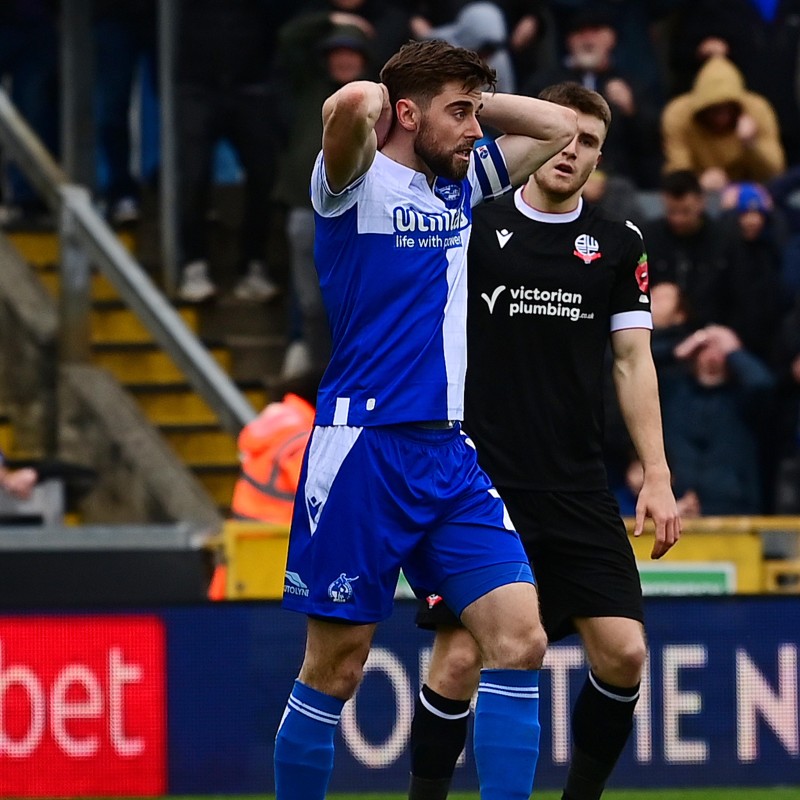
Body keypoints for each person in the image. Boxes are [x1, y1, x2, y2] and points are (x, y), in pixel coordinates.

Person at [272, 39, 578, 800]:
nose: (477, 130)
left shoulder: (464, 181)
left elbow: (556, 125)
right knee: (337, 667)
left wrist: (467, 95)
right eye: (460, 114)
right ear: (407, 113)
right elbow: (347, 107)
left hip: (447, 455)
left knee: (521, 639)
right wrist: (388, 94)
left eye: (477, 114)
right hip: (363, 452)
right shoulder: (353, 183)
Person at [407, 82, 680, 800]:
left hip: (577, 484)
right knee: (459, 664)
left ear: (600, 158)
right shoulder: (473, 222)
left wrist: (655, 473)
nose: (573, 151)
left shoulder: (620, 245)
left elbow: (631, 361)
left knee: (625, 655)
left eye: (590, 142)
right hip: (480, 484)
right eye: (565, 135)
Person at [661, 55, 786, 194]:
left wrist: (752, 144)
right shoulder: (679, 115)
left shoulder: (758, 111)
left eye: (727, 108)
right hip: (697, 193)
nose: (721, 118)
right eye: (714, 110)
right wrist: (696, 182)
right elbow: (678, 167)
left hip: (750, 194)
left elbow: (775, 172)